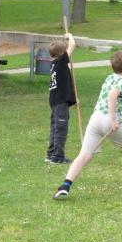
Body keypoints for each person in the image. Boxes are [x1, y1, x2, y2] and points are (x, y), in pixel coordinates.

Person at [53, 51, 122, 199]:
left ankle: (65, 186)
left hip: (96, 119)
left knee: (85, 154)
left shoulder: (110, 78)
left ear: (112, 66)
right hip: (109, 120)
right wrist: (113, 119)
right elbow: (113, 95)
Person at [46, 34, 77, 164]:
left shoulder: (55, 64)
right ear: (61, 53)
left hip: (55, 100)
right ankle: (58, 156)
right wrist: (69, 36)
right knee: (61, 127)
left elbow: (64, 83)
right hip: (59, 102)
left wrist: (74, 99)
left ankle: (51, 154)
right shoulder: (60, 62)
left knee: (55, 127)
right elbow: (73, 45)